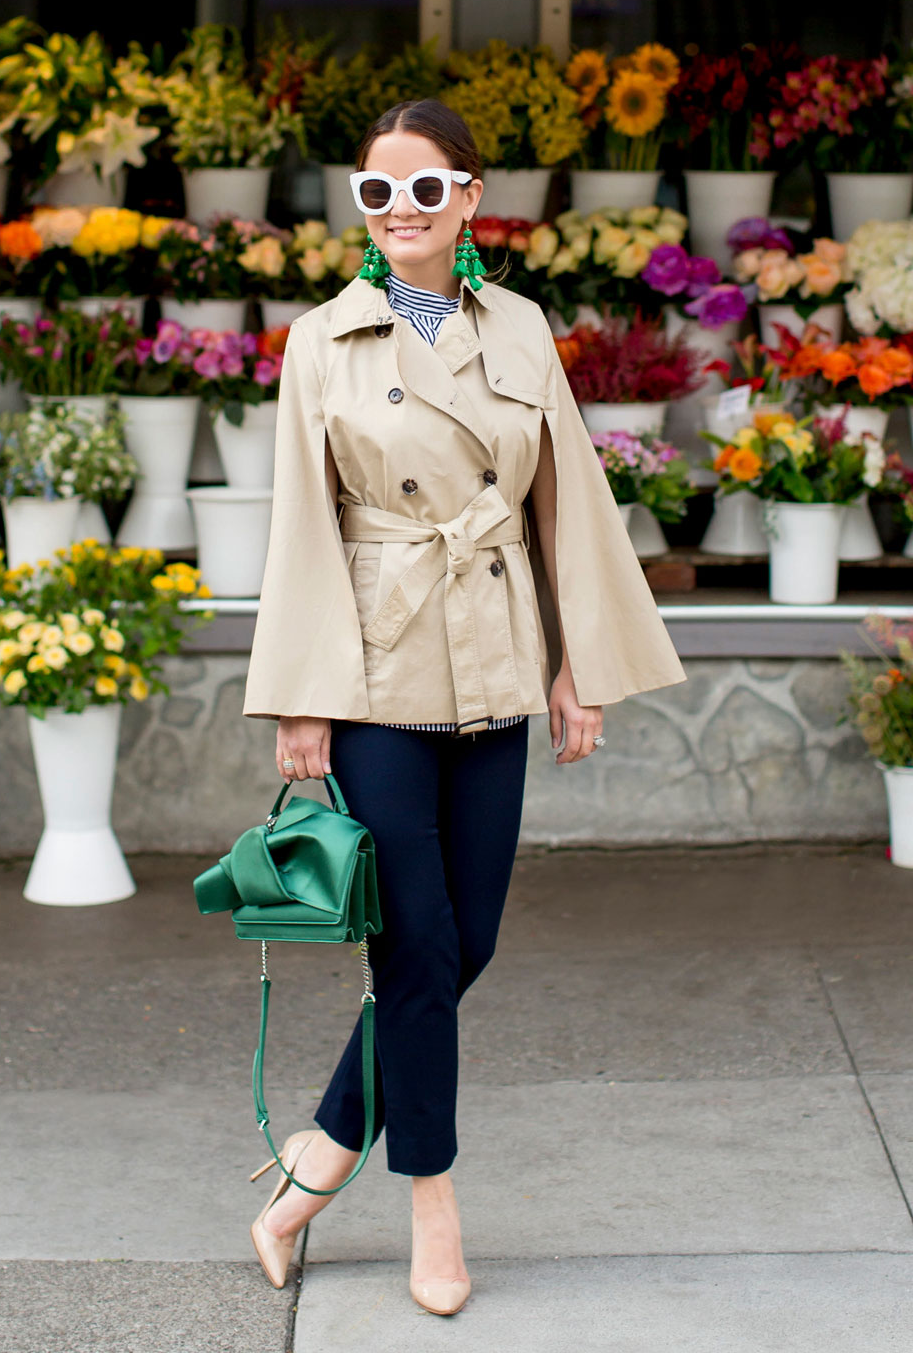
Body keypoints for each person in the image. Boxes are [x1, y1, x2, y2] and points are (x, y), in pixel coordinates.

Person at [242, 98, 685, 1316]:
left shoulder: (522, 327)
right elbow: (303, 526)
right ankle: (433, 1209)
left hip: (493, 652)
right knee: (417, 944)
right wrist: (301, 699)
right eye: (375, 194)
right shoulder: (325, 341)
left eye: (423, 191)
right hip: (378, 662)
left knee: (463, 941)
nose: (398, 215)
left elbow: (568, 508)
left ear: (470, 198)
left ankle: (309, 1171)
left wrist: (575, 664)